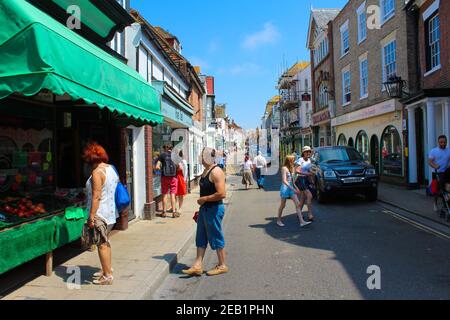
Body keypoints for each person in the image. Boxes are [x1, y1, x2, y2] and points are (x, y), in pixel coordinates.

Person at [183, 148, 228, 277]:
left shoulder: (216, 171)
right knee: (201, 237)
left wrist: (204, 199)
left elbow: (222, 193)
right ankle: (197, 265)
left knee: (215, 236)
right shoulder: (206, 170)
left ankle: (222, 265)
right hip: (205, 209)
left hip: (213, 209)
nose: (200, 158)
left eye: (202, 156)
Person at [83, 142, 119, 286]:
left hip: (101, 214)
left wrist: (91, 216)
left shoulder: (97, 172)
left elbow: (96, 196)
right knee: (105, 242)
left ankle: (108, 276)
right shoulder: (111, 169)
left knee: (101, 244)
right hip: (111, 213)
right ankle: (106, 269)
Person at [278, 155, 312, 228]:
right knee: (283, 205)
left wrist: (296, 187)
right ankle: (279, 220)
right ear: (289, 160)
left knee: (298, 204)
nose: (294, 161)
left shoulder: (292, 168)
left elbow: (293, 180)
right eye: (293, 160)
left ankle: (302, 222)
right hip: (285, 188)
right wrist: (293, 188)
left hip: (291, 187)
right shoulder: (284, 168)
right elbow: (284, 181)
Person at [156, 145, 179, 218]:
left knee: (165, 194)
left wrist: (161, 170)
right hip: (173, 177)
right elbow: (179, 167)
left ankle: (164, 212)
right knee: (172, 194)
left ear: (165, 148)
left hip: (164, 177)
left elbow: (157, 166)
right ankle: (174, 212)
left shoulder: (162, 155)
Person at [428, 136, 450, 210]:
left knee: (446, 188)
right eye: (441, 142)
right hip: (437, 173)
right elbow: (430, 161)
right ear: (438, 142)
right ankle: (435, 203)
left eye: (444, 142)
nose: (443, 143)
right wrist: (435, 166)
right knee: (437, 190)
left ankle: (446, 204)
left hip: (446, 172)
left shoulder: (448, 150)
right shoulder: (434, 151)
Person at [295, 146, 315, 222]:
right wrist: (307, 173)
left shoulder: (309, 160)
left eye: (309, 151)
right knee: (309, 196)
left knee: (303, 198)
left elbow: (308, 170)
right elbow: (296, 170)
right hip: (300, 179)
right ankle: (310, 214)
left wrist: (312, 175)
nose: (308, 153)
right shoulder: (300, 160)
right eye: (307, 152)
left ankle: (298, 212)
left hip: (306, 179)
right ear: (303, 153)